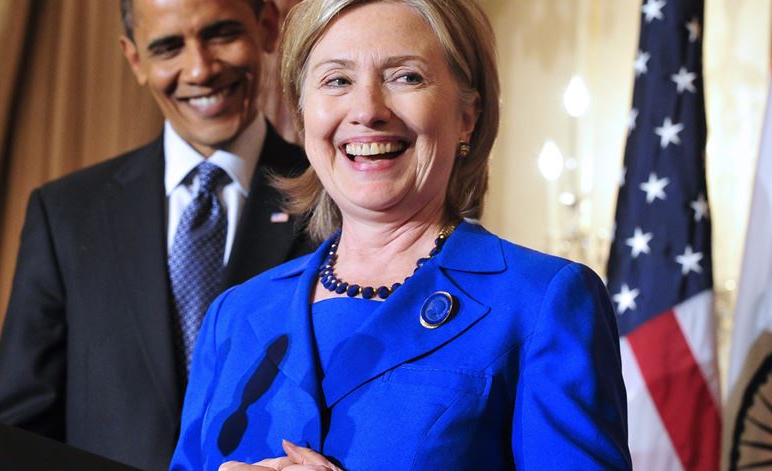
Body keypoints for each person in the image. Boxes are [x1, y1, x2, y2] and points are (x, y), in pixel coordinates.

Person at [171, 0, 632, 469]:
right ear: (304, 112)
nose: (367, 110)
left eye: (406, 76)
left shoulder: (541, 302)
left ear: (467, 114)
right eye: (337, 80)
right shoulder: (233, 316)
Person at [0, 0, 313, 469]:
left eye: (221, 34)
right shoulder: (66, 214)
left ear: (266, 28)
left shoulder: (333, 197)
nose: (199, 69)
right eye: (168, 47)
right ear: (135, 59)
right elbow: (16, 433)